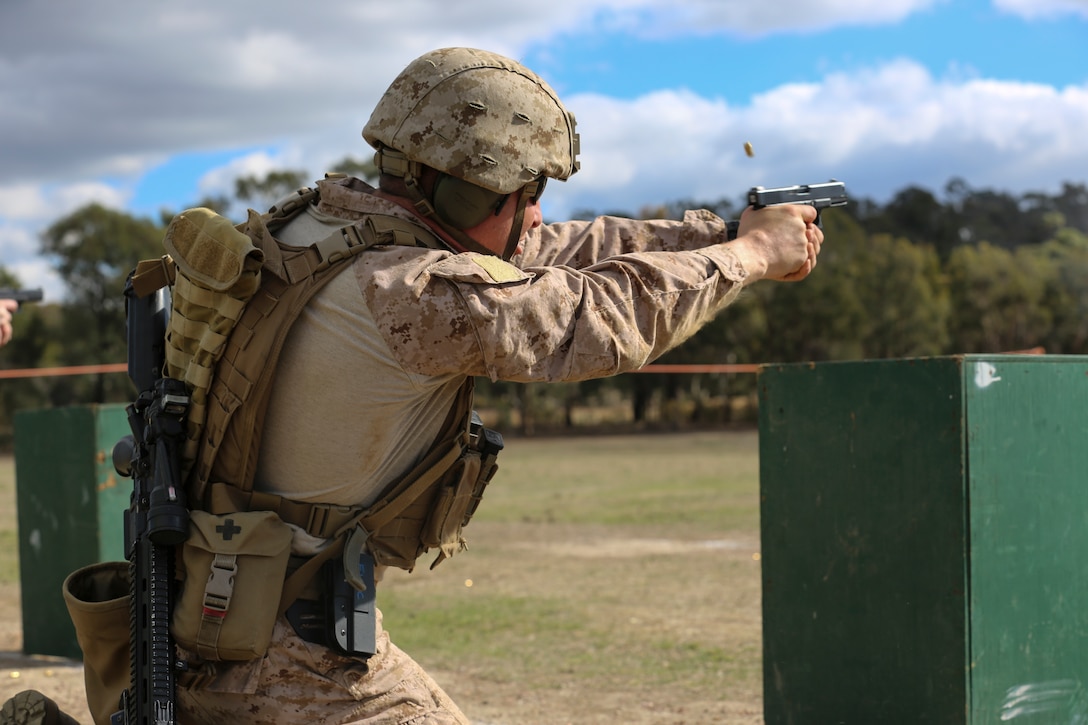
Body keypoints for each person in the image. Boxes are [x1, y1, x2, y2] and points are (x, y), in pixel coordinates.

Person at [5, 46, 824, 725]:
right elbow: (595, 314)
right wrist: (753, 259)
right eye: (525, 195)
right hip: (290, 655)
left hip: (209, 608)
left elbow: (555, 250)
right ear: (471, 193)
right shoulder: (417, 295)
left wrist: (717, 230)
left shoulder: (318, 229)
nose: (537, 215)